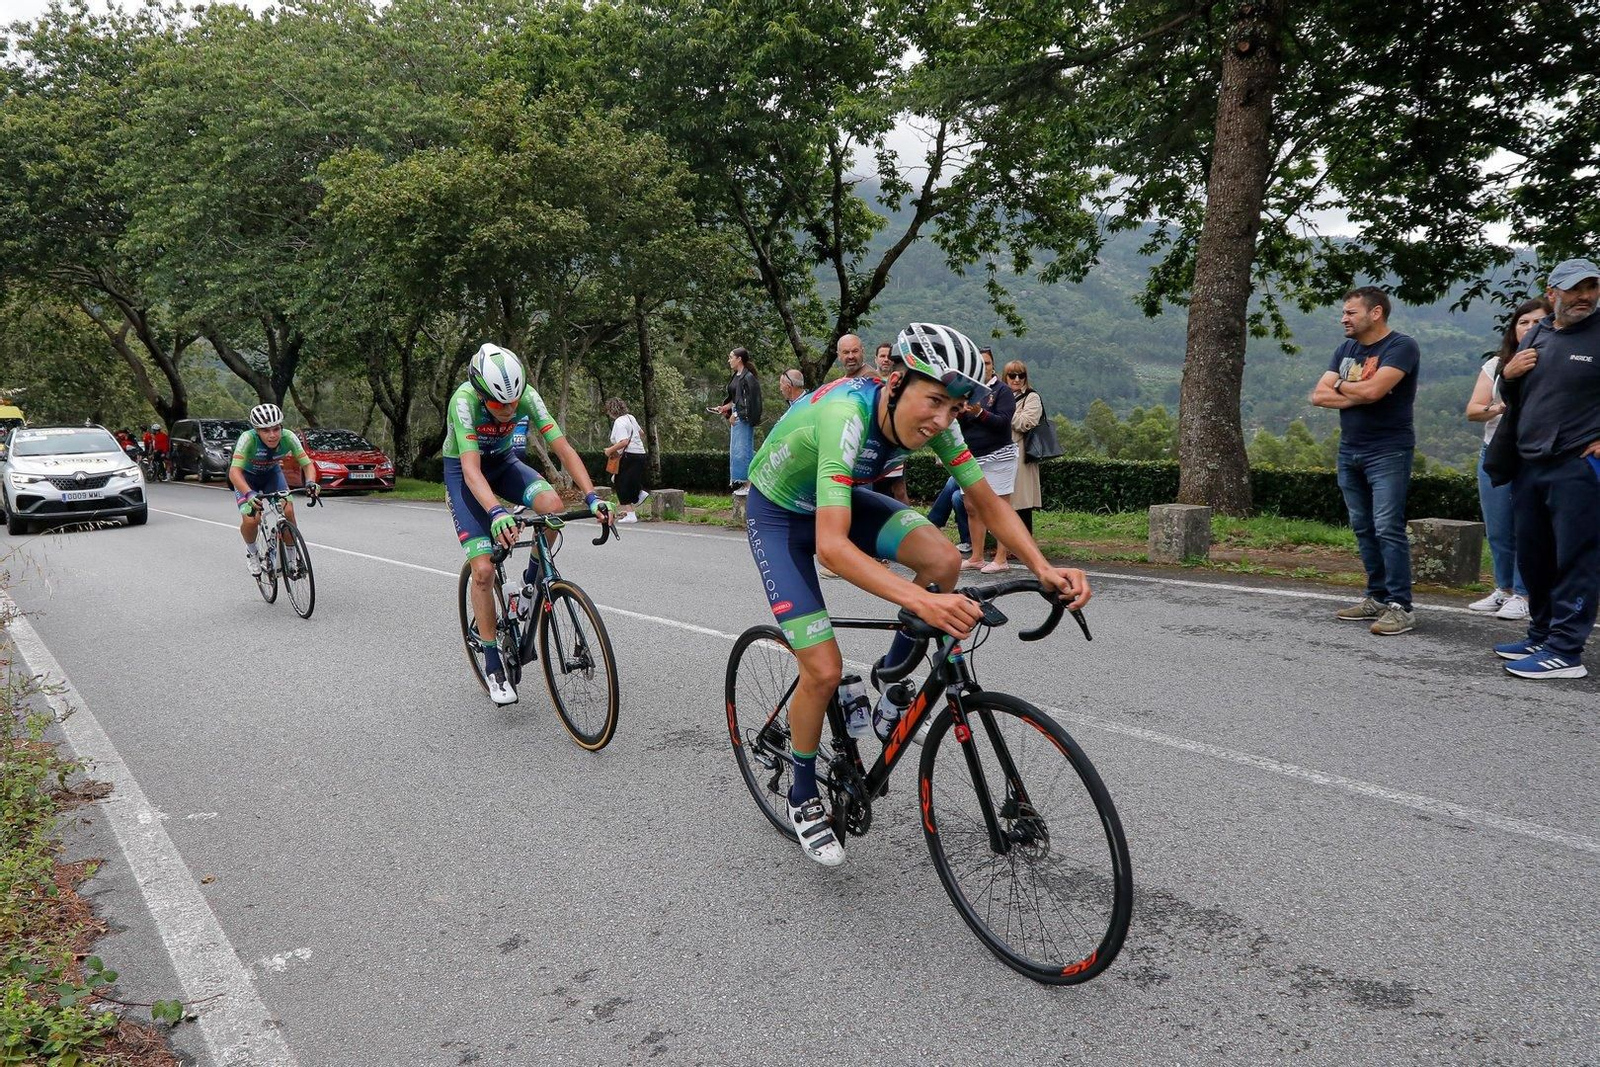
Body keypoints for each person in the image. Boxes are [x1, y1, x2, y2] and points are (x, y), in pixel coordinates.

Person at [741, 321, 1091, 867]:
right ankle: (803, 792)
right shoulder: (846, 417)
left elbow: (989, 500)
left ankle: (888, 678)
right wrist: (922, 603)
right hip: (780, 517)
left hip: (840, 501)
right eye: (933, 401)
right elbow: (831, 549)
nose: (940, 420)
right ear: (894, 379)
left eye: (953, 409)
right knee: (824, 669)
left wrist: (1045, 567)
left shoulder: (940, 421)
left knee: (945, 560)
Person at [444, 343, 614, 705]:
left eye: (513, 403)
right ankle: (492, 664)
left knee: (552, 505)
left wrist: (591, 496)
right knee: (484, 570)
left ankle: (527, 586)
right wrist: (495, 512)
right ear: (479, 392)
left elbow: (563, 448)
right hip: (465, 472)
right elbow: (472, 471)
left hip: (504, 463)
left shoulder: (527, 397)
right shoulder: (464, 402)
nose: (508, 412)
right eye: (498, 404)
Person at [1490, 258, 1600, 680]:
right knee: (1535, 558)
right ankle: (1540, 634)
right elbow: (1515, 392)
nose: (1585, 296)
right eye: (1575, 288)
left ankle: (1565, 651)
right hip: (1530, 461)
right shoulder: (1539, 331)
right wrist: (1510, 374)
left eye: (1591, 287)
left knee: (1576, 558)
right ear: (1552, 293)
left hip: (1578, 466)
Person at [1310, 286, 1421, 637]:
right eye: (1343, 313)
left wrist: (1346, 388)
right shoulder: (1346, 349)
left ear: (1376, 313)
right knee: (1363, 526)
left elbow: (1372, 391)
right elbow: (1318, 395)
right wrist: (1359, 391)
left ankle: (1401, 607)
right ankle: (1376, 595)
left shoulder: (1401, 346)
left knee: (1388, 525)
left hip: (1388, 449)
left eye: (1350, 313)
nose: (1344, 318)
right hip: (1350, 448)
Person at [1465, 299, 1547, 620]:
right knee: (1498, 526)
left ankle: (1525, 593)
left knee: (1528, 526)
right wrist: (1503, 404)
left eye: (1537, 322)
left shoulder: (1558, 361)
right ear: (1513, 329)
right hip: (1497, 449)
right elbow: (1473, 410)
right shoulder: (1497, 365)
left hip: (1535, 453)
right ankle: (1504, 589)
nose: (1529, 328)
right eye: (1523, 322)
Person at [229, 404, 318, 579]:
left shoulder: (289, 438)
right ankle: (253, 553)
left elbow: (307, 464)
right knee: (251, 520)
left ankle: (292, 561)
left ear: (281, 427)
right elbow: (234, 472)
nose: (272, 435)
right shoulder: (247, 439)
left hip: (272, 475)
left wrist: (311, 483)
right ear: (257, 431)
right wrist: (248, 493)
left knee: (288, 511)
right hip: (247, 479)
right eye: (266, 430)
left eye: (276, 429)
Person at [959, 347, 1019, 573]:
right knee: (972, 506)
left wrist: (979, 413)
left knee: (1000, 507)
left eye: (987, 363)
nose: (984, 367)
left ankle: (1001, 558)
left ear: (993, 365)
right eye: (979, 363)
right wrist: (963, 413)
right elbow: (959, 423)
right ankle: (976, 556)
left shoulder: (1002, 391)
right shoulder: (968, 390)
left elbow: (1003, 423)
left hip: (999, 456)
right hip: (972, 454)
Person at [991, 360, 1044, 568]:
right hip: (1002, 453)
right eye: (1012, 375)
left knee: (1022, 503)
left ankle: (1025, 546)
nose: (1016, 379)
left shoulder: (1032, 397)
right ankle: (1010, 544)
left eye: (1020, 375)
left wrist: (1005, 411)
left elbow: (1026, 422)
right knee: (1006, 502)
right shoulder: (999, 395)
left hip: (1022, 454)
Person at [715, 347, 762, 496]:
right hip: (737, 418)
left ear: (739, 359)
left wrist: (735, 413)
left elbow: (749, 401)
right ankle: (744, 483)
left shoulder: (748, 377)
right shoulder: (736, 376)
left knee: (745, 450)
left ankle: (750, 484)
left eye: (731, 357)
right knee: (737, 451)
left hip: (744, 418)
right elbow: (736, 399)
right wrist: (725, 408)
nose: (729, 360)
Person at [603, 398, 648, 524]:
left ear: (611, 410)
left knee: (620, 482)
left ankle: (631, 513)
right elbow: (641, 433)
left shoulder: (619, 422)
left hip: (629, 455)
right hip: (640, 453)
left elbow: (624, 442)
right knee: (625, 479)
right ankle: (639, 494)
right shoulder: (630, 417)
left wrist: (609, 450)